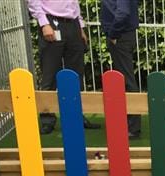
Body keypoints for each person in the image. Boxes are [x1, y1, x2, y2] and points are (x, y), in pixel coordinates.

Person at [26, 0, 101, 134]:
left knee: (76, 74)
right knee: (50, 73)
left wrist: (80, 27)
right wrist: (44, 24)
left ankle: (77, 116)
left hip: (73, 25)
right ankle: (47, 120)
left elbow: (73, 3)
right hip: (51, 23)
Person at [100, 0, 141, 139]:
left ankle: (133, 126)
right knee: (125, 79)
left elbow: (123, 12)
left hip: (120, 35)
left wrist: (113, 33)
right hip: (123, 34)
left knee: (127, 80)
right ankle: (129, 124)